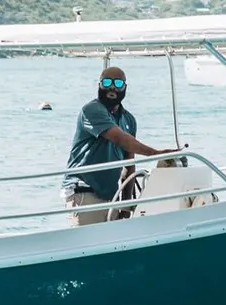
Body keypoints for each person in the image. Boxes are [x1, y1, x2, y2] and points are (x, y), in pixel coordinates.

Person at [63, 66, 173, 224]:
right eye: (107, 82)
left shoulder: (128, 120)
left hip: (111, 196)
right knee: (92, 239)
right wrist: (155, 154)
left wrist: (126, 205)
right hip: (84, 190)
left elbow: (129, 163)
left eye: (118, 83)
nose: (112, 87)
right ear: (99, 85)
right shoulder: (91, 110)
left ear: (125, 88)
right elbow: (120, 139)